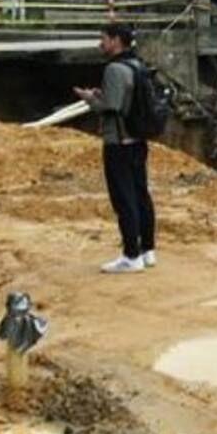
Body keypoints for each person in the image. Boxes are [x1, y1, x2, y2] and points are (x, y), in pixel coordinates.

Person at [74, 23, 157, 274]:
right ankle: (148, 250)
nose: (101, 44)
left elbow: (112, 106)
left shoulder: (114, 68)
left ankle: (131, 255)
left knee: (124, 199)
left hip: (118, 143)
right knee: (141, 194)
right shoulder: (138, 65)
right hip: (138, 141)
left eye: (104, 39)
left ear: (116, 40)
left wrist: (89, 98)